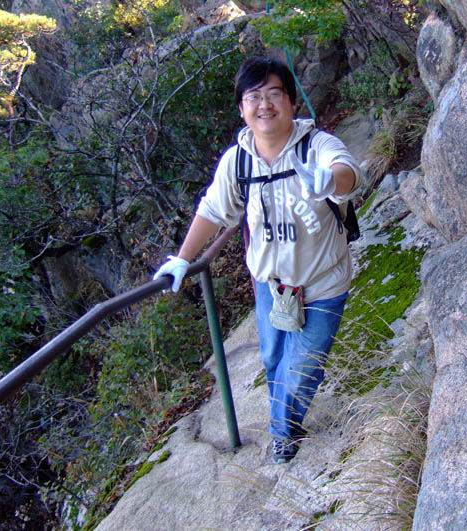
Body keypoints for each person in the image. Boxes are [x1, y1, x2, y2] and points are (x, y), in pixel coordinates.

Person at [153, 56, 361, 464]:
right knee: (273, 360)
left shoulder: (315, 146)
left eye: (274, 94)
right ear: (241, 108)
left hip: (322, 282)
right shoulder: (239, 161)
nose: (264, 104)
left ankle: (282, 434)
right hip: (270, 287)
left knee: (302, 367)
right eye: (254, 96)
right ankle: (285, 417)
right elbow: (213, 210)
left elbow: (348, 172)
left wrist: (329, 180)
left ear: (292, 102)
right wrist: (183, 258)